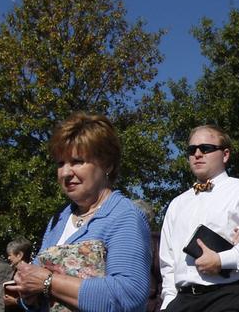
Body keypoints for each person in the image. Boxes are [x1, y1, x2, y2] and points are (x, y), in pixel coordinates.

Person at [12, 112, 151, 312]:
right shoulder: (58, 220)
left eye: (77, 161)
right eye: (61, 163)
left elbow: (128, 296)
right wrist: (26, 292)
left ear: (107, 164)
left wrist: (48, 281)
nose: (66, 173)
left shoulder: (124, 216)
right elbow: (36, 285)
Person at [159, 124, 239, 312]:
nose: (197, 154)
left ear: (225, 154)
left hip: (227, 298)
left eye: (206, 148)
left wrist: (221, 260)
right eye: (191, 149)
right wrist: (168, 303)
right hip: (181, 302)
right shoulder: (176, 204)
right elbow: (168, 263)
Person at [3, 237, 33, 310]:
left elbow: (34, 304)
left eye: (10, 255)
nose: (8, 258)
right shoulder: (14, 272)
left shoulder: (31, 274)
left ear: (19, 255)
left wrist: (15, 301)